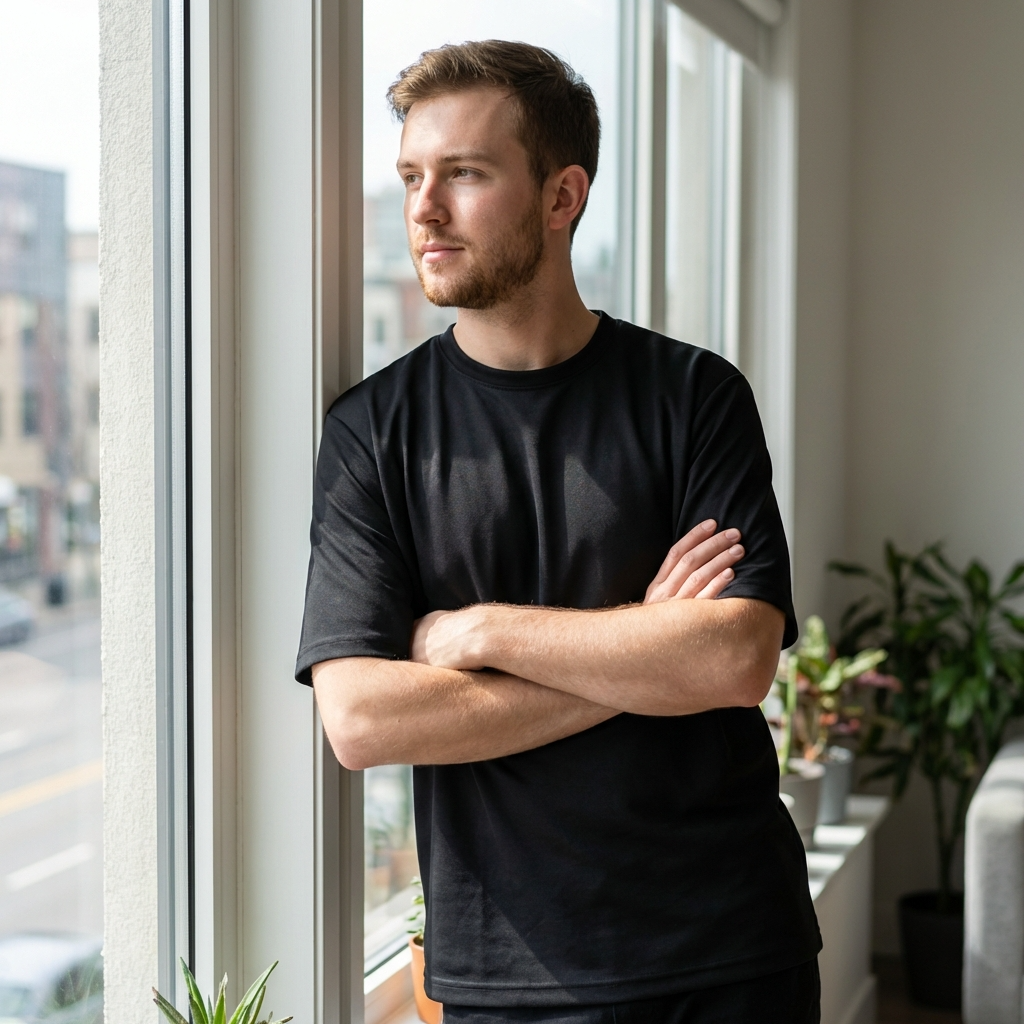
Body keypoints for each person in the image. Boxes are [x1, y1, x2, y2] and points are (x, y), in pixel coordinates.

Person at [296, 40, 820, 1024]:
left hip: (728, 946)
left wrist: (481, 634)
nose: (422, 207)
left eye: (465, 173)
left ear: (560, 194)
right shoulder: (372, 431)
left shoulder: (695, 396)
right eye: (412, 174)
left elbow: (735, 658)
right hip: (507, 970)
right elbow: (364, 719)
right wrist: (639, 651)